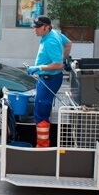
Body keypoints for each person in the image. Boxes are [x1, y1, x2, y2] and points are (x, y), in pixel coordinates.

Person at [26, 15, 72, 148]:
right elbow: (68, 43)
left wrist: (38, 67)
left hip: (48, 80)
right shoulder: (54, 34)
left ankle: (42, 146)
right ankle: (43, 143)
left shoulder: (50, 41)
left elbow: (58, 65)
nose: (35, 29)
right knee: (42, 111)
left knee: (40, 113)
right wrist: (64, 59)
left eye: (38, 27)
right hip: (50, 78)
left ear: (46, 27)